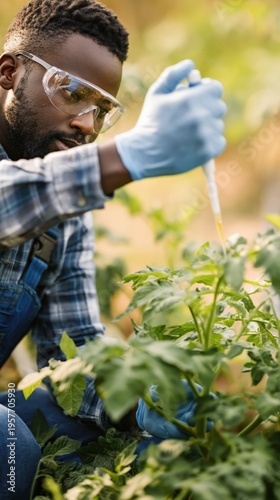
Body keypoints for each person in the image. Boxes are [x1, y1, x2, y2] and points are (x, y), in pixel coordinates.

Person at [0, 0, 226, 497]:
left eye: (102, 110)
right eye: (73, 92)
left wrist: (139, 396)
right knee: (8, 441)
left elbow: (72, 352)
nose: (87, 123)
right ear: (9, 74)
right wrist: (129, 155)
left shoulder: (67, 206)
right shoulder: (66, 183)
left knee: (151, 454)